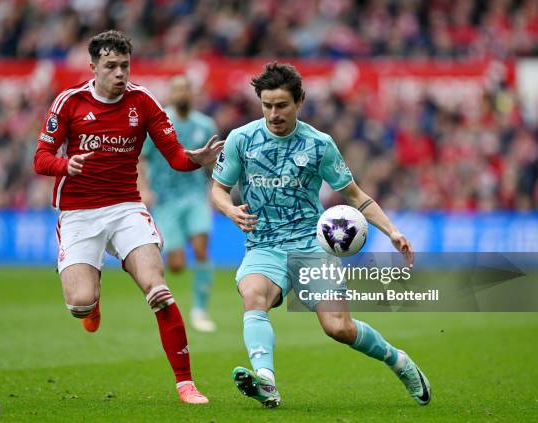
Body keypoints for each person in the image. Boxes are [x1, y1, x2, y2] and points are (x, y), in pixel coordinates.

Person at [211, 62, 431, 408]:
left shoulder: (318, 144)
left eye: (281, 105)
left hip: (311, 247)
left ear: (299, 101)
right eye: (266, 105)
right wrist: (229, 209)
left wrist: (392, 230)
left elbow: (356, 196)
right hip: (264, 245)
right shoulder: (242, 139)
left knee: (338, 328)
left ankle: (398, 361)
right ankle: (267, 381)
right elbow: (219, 189)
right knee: (253, 295)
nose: (273, 113)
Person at [33, 30, 223, 404]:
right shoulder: (69, 102)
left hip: (126, 208)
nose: (120, 73)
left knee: (159, 291)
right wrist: (65, 164)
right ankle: (92, 302)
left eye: (124, 66)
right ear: (94, 68)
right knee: (80, 304)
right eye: (111, 66)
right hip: (79, 213)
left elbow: (175, 157)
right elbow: (40, 158)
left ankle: (185, 383)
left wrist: (197, 159)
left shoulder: (144, 102)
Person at [140, 75, 218, 332]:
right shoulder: (160, 124)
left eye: (186, 89)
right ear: (170, 95)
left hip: (195, 196)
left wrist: (216, 191)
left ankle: (200, 310)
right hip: (166, 200)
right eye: (177, 90)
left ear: (192, 93)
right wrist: (144, 188)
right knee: (176, 265)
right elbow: (141, 159)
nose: (182, 94)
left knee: (201, 250)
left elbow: (216, 162)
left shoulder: (205, 125)